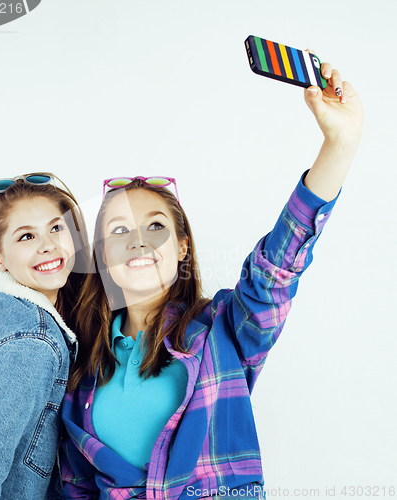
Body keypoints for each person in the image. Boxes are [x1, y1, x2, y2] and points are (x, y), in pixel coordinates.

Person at [60, 62, 363, 499]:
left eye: (156, 227)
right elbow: (76, 485)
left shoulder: (223, 329)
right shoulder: (82, 361)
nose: (138, 242)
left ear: (183, 246)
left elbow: (276, 270)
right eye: (119, 231)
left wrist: (339, 144)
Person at [0, 173, 89, 499]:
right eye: (26, 237)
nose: (48, 245)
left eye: (56, 228)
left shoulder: (7, 312)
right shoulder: (29, 345)